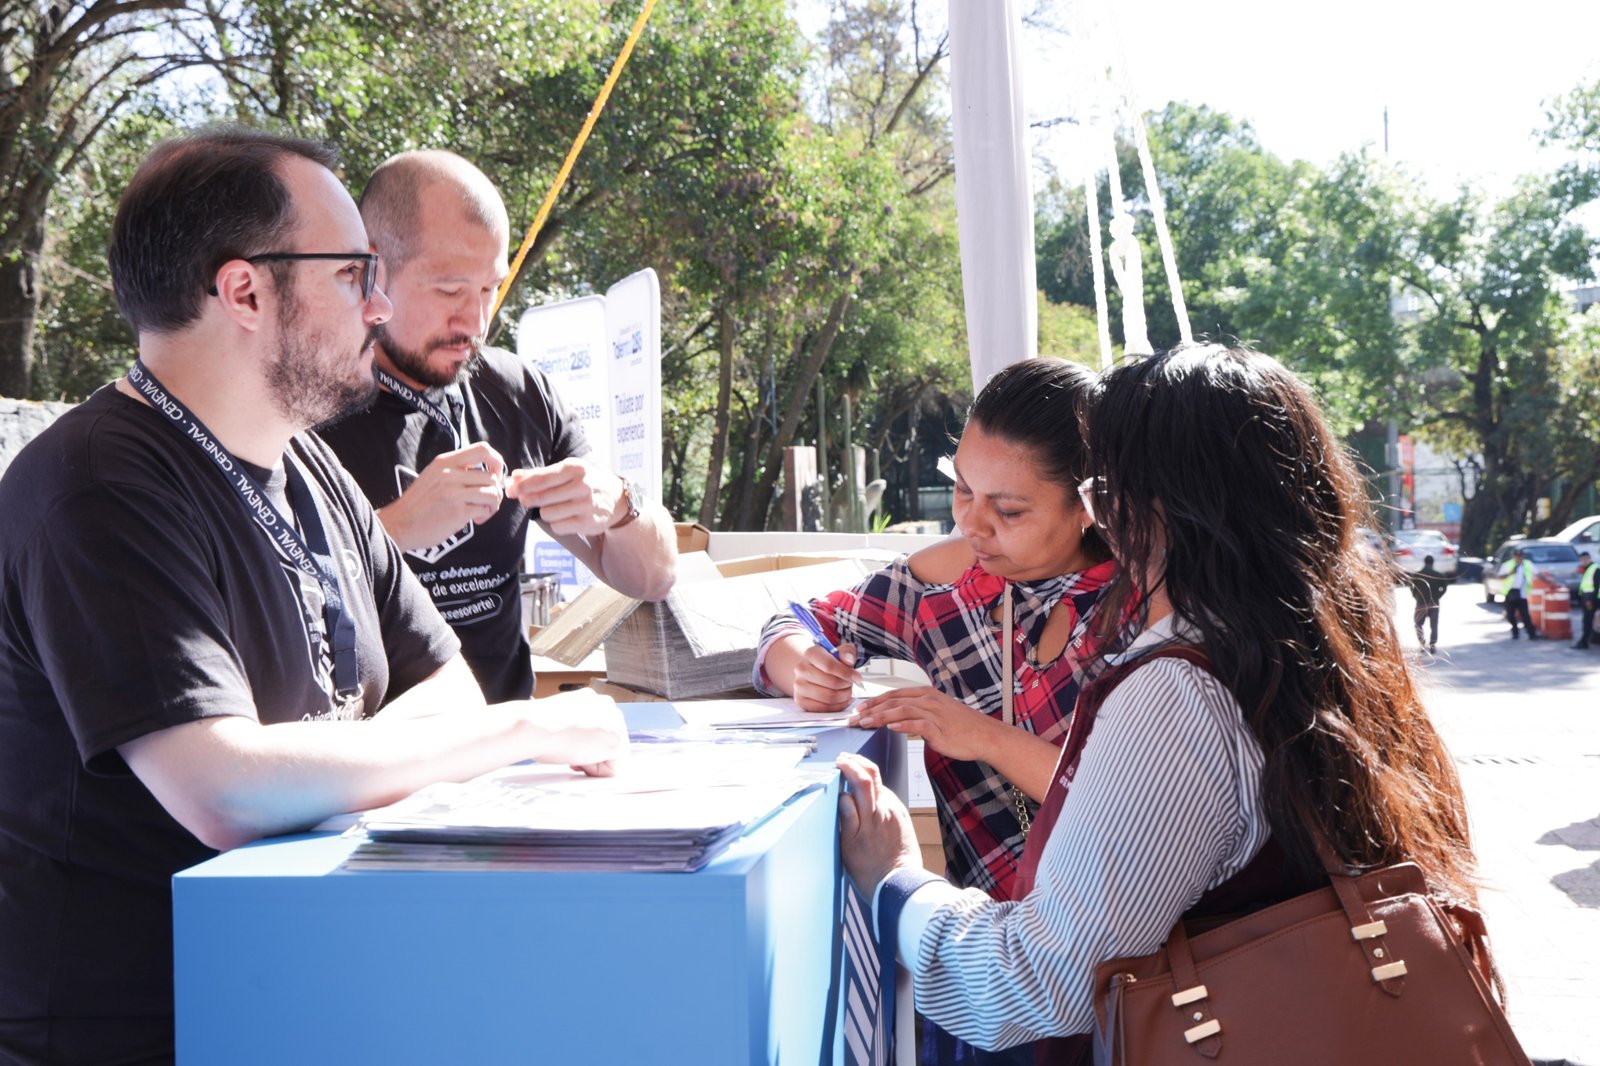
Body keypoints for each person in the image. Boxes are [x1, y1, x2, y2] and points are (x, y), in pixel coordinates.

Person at [0, 129, 627, 1066]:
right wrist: (518, 732)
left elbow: (447, 683)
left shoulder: (309, 465)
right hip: (134, 1028)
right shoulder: (98, 486)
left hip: (299, 996)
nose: (378, 305)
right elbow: (224, 787)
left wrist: (346, 759)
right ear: (245, 290)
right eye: (350, 274)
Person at [834, 345, 1480, 1056]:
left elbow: (1040, 981)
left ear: (1151, 508)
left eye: (1099, 490)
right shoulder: (1318, 639)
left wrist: (894, 882)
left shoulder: (1178, 691)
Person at [756, 359, 1117, 1063]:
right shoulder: (941, 586)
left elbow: (1127, 808)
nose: (973, 524)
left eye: (1008, 510)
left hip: (1111, 971)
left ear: (1090, 506)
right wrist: (803, 665)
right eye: (961, 489)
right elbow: (797, 622)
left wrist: (981, 736)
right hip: (981, 956)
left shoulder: (1146, 611)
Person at [316, 150, 676, 702]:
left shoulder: (518, 393)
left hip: (510, 750)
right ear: (370, 268)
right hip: (373, 763)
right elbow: (266, 601)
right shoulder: (304, 400)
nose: (475, 322)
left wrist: (622, 506)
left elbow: (651, 578)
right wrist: (396, 530)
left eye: (489, 289)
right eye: (450, 291)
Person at [1407, 554, 1450, 652]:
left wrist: (1416, 596)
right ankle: (1432, 644)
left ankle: (1422, 642)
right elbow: (1444, 588)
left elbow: (1411, 587)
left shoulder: (1417, 575)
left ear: (1424, 562)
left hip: (1421, 603)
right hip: (1434, 604)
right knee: (1434, 625)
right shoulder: (1439, 575)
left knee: (1418, 624)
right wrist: (1438, 596)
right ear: (1433, 562)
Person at [1500, 546, 1540, 639]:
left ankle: (1531, 634)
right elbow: (1501, 577)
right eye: (1517, 555)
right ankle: (1515, 632)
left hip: (1522, 594)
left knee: (1525, 616)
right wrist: (1511, 573)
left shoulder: (1527, 564)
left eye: (1520, 555)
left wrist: (1550, 582)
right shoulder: (1507, 565)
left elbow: (1538, 574)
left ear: (1523, 556)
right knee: (1510, 615)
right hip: (1510, 593)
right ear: (1513, 556)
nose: (1518, 557)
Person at [1574, 551, 1597, 649]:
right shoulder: (1588, 569)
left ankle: (1584, 642)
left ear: (1589, 558)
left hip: (1591, 599)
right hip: (1587, 598)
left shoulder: (1595, 568)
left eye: (1585, 559)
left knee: (1587, 621)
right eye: (1581, 560)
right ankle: (1588, 639)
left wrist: (1590, 600)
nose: (1583, 561)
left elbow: (1597, 586)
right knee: (1587, 620)